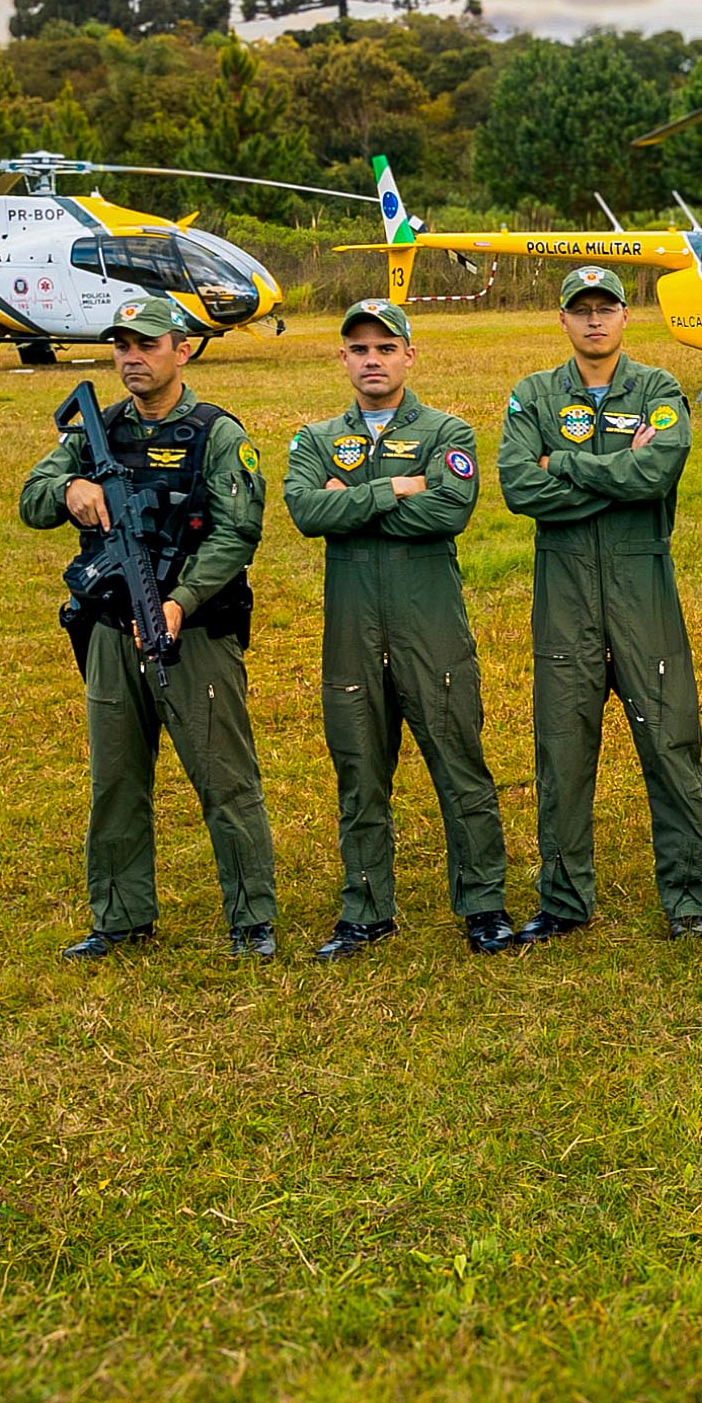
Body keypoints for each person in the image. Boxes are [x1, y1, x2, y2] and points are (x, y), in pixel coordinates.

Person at [19, 294, 279, 959]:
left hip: (194, 634)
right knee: (116, 780)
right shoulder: (95, 430)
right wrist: (70, 492)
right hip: (110, 628)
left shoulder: (218, 434)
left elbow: (236, 536)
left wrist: (179, 601)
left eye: (147, 345)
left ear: (182, 350)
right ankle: (120, 917)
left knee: (225, 779)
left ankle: (252, 920)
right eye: (122, 346)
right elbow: (34, 496)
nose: (132, 358)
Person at [284, 299, 519, 960]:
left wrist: (349, 500)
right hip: (353, 630)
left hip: (429, 625)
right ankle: (365, 910)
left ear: (409, 356)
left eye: (385, 348)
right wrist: (393, 490)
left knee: (459, 764)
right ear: (343, 360)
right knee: (359, 771)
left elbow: (448, 511)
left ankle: (483, 905)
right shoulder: (317, 437)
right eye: (359, 349)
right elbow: (306, 509)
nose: (372, 360)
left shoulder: (449, 432)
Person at [495, 265, 702, 941]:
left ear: (628, 317)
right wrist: (617, 473)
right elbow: (517, 486)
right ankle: (564, 901)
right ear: (562, 320)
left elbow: (659, 470)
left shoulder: (657, 389)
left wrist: (561, 463)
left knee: (671, 741)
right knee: (562, 748)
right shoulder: (533, 395)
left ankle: (686, 899)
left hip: (641, 586)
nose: (594, 319)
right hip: (564, 591)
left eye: (607, 308)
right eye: (581, 309)